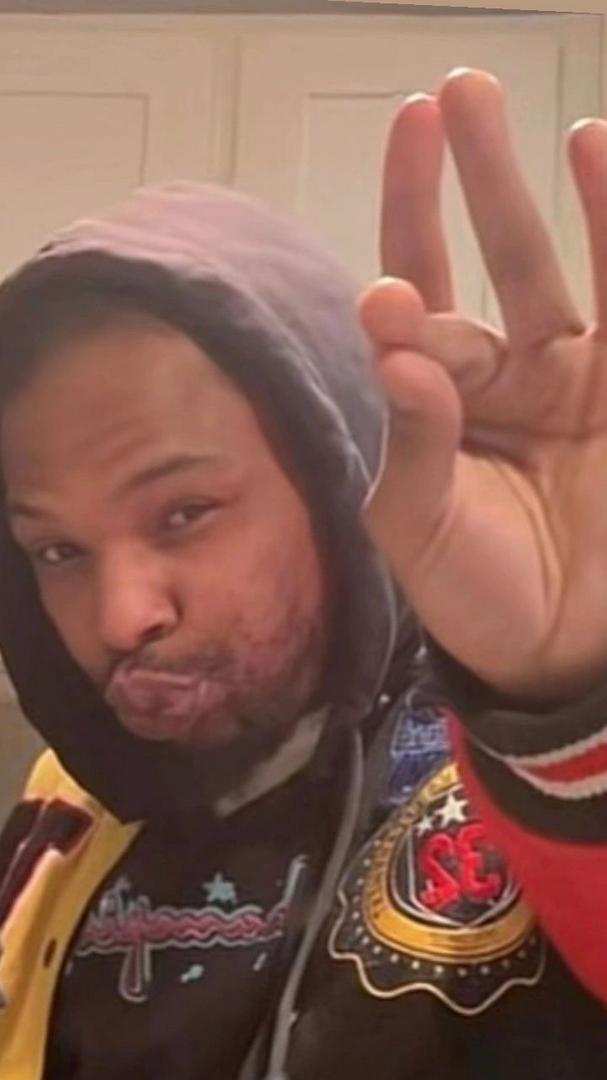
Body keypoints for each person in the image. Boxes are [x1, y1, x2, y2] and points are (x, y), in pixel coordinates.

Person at [0, 67, 604, 1080]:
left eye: (184, 513)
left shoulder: (520, 780)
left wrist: (571, 715)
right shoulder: (70, 803)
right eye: (59, 550)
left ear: (339, 481)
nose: (120, 617)